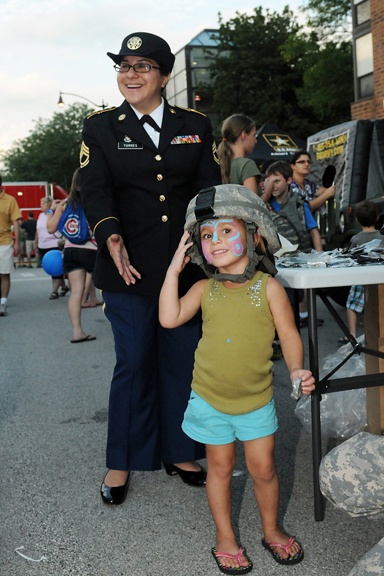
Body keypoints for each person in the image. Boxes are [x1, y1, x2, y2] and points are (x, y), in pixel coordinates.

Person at [79, 31, 221, 505]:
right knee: (135, 362)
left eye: (141, 66)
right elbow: (94, 188)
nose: (130, 74)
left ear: (163, 75)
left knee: (182, 361)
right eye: (123, 66)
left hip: (185, 268)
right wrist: (109, 234)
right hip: (128, 268)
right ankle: (121, 460)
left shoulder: (195, 124)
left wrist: (213, 247)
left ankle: (181, 450)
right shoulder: (100, 126)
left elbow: (209, 191)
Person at [159, 184, 315, 574]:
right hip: (209, 399)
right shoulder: (203, 288)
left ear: (254, 234)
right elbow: (168, 317)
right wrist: (173, 270)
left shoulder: (269, 288)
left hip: (255, 400)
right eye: (207, 235)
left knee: (263, 469)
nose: (217, 241)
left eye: (227, 231)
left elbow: (290, 335)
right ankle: (225, 537)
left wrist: (297, 369)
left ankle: (272, 529)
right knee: (220, 467)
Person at [264, 161, 324, 328]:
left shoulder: (299, 204)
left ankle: (302, 317)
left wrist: (320, 258)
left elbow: (313, 231)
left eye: (277, 181)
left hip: (299, 259)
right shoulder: (265, 206)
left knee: (300, 295)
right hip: (276, 263)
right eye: (269, 181)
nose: (272, 186)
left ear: (288, 181)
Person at [46, 168, 98, 343]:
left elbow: (50, 228)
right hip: (92, 249)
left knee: (76, 293)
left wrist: (51, 211)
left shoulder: (65, 203)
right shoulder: (96, 199)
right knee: (109, 291)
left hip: (71, 250)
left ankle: (77, 332)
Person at [339, 200, 384, 344]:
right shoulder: (382, 238)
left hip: (361, 277)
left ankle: (351, 334)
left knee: (351, 305)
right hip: (379, 278)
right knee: (378, 306)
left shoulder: (356, 239)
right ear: (377, 218)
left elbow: (350, 258)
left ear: (357, 220)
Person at [35, 197, 69, 300]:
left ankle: (54, 291)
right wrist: (35, 242)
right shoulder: (41, 215)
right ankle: (64, 286)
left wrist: (63, 239)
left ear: (49, 205)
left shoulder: (55, 214)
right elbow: (38, 230)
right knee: (52, 268)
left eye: (43, 203)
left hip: (54, 244)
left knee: (56, 266)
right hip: (43, 245)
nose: (41, 205)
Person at [217, 114, 261, 192]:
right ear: (244, 135)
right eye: (254, 135)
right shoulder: (247, 165)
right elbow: (252, 202)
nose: (255, 140)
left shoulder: (218, 163)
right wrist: (268, 192)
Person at [0, 173, 21, 316]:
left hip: (5, 241)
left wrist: (17, 242)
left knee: (4, 274)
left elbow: (16, 222)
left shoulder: (9, 200)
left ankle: (3, 302)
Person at [290, 149, 335, 214]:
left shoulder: (308, 184)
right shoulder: (289, 185)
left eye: (309, 162)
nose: (306, 164)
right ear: (293, 166)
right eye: (302, 162)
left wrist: (330, 191)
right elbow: (303, 208)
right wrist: (326, 195)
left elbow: (326, 190)